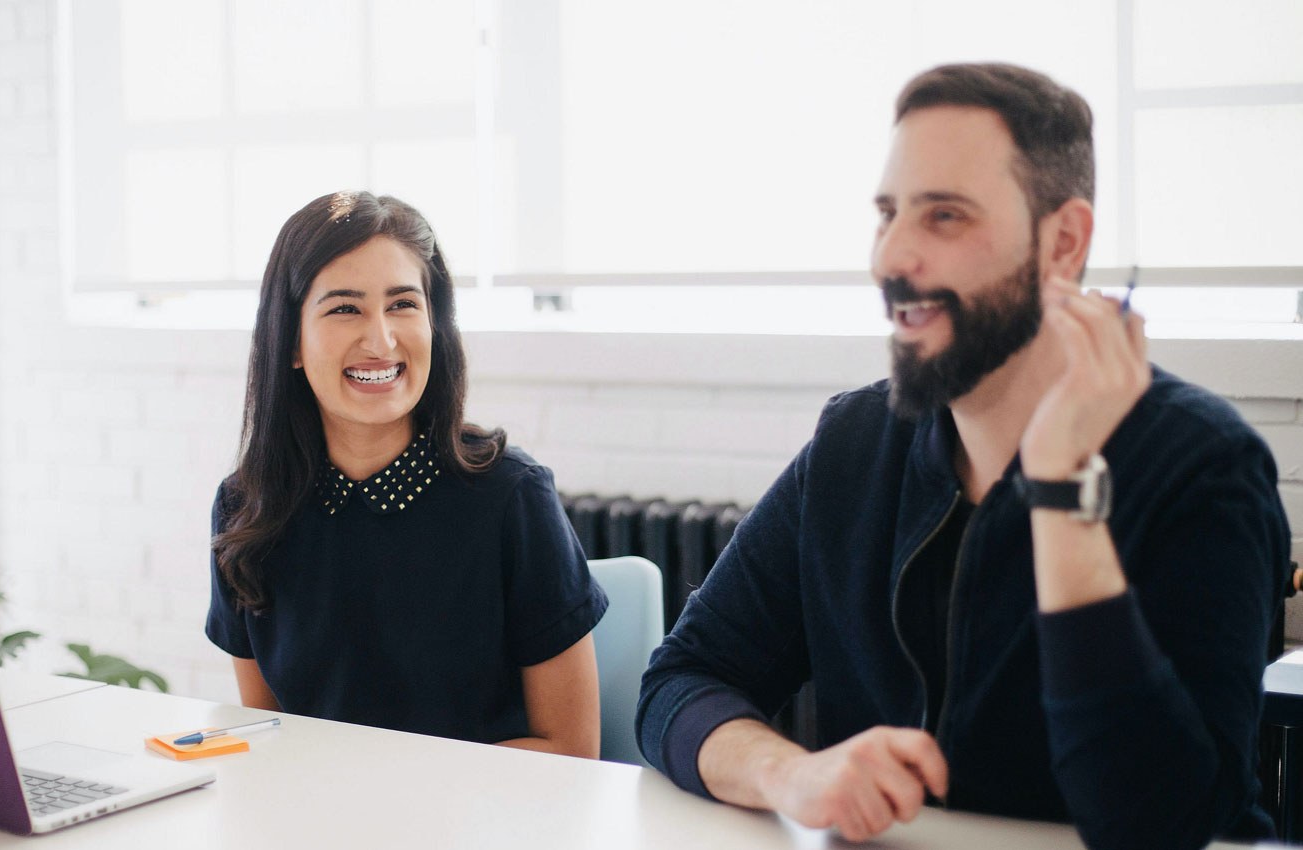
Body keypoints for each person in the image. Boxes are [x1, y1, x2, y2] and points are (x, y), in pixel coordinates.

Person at [636, 63, 1291, 849]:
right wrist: (790, 772)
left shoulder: (1206, 467)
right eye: (888, 214)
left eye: (944, 216)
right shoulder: (854, 445)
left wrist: (1062, 493)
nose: (893, 258)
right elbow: (679, 683)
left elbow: (1161, 825)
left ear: (1064, 241)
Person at [207, 190, 608, 757]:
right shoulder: (246, 508)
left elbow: (571, 749)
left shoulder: (510, 496)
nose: (381, 340)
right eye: (345, 308)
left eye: (402, 305)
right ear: (290, 341)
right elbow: (271, 737)